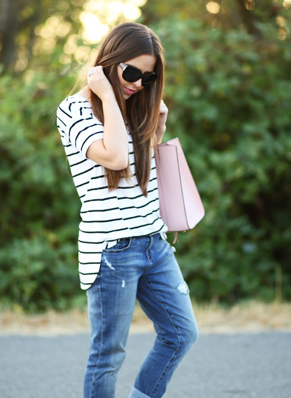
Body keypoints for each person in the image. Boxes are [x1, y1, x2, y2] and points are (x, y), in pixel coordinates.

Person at [56, 22, 199, 398]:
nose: (137, 84)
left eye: (147, 78)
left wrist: (157, 126)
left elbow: (141, 177)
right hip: (111, 250)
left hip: (155, 242)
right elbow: (116, 157)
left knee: (182, 333)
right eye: (131, 72)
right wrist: (103, 92)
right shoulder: (72, 111)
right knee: (108, 356)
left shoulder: (136, 107)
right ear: (110, 60)